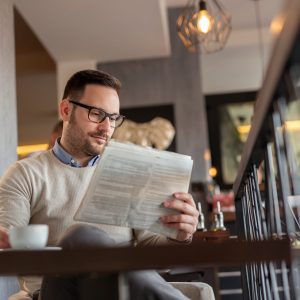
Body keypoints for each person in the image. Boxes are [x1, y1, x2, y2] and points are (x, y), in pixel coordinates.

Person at [0, 70, 199, 300]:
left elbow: (150, 248)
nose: (107, 128)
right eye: (97, 114)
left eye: (113, 118)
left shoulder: (129, 172)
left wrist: (179, 235)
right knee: (81, 236)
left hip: (119, 292)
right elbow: (7, 248)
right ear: (66, 110)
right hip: (56, 293)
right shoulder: (25, 174)